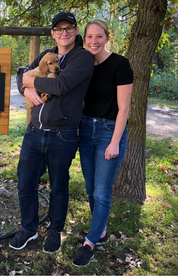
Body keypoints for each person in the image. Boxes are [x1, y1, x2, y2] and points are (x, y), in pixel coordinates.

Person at [9, 12, 94, 253]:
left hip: (63, 134)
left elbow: (61, 85)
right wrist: (24, 89)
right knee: (25, 183)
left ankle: (55, 231)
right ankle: (29, 228)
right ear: (52, 33)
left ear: (76, 31)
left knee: (59, 186)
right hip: (34, 131)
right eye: (59, 29)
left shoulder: (82, 58)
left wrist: (30, 80)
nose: (64, 33)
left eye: (69, 28)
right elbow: (20, 75)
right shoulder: (47, 54)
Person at [72, 19, 133, 267]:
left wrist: (115, 142)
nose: (93, 41)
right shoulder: (84, 64)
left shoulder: (120, 64)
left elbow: (124, 107)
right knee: (90, 188)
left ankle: (90, 242)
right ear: (84, 39)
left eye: (99, 36)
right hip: (87, 129)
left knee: (101, 192)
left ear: (107, 38)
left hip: (109, 132)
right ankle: (102, 231)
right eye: (89, 37)